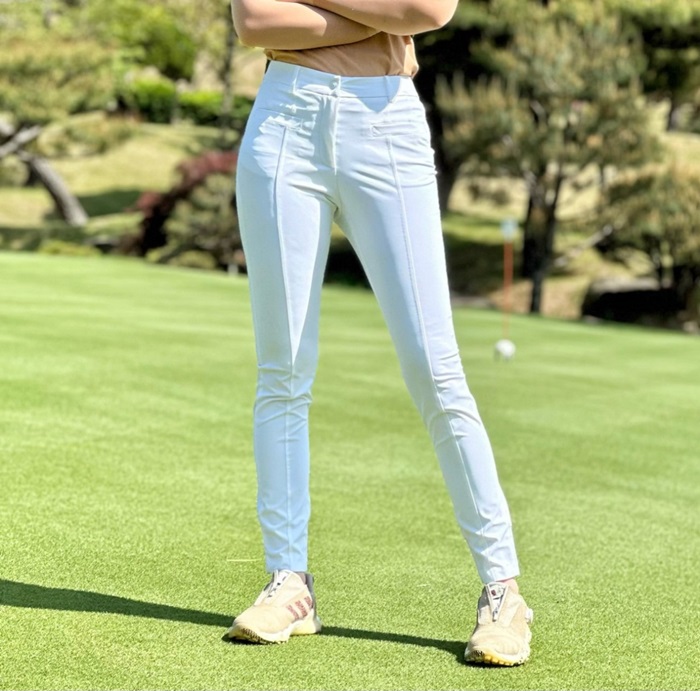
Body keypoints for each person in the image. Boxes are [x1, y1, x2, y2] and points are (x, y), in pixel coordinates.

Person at [224, 0, 534, 666]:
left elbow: (426, 8)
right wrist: (382, 18)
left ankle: (503, 593)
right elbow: (254, 21)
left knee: (434, 367)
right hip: (284, 119)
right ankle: (288, 582)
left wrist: (367, 13)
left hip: (383, 118)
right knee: (283, 368)